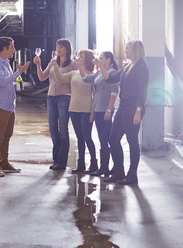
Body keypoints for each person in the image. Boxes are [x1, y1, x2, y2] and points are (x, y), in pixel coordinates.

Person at [98, 40, 149, 185]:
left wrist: (138, 111)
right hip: (123, 106)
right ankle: (119, 170)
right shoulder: (127, 66)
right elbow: (111, 79)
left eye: (127, 49)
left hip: (133, 107)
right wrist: (102, 67)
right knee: (113, 138)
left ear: (134, 50)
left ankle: (132, 175)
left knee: (132, 140)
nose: (125, 51)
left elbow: (142, 91)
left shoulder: (142, 68)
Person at [0, 36, 30, 177]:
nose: (14, 50)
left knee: (7, 136)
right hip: (0, 105)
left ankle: (4, 163)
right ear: (4, 48)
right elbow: (1, 82)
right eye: (12, 47)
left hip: (9, 105)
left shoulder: (5, 63)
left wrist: (17, 84)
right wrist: (18, 72)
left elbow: (8, 83)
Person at [52, 49, 97, 173]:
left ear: (87, 59)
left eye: (81, 57)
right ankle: (81, 164)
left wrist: (93, 112)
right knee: (79, 138)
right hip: (74, 109)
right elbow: (60, 78)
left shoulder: (93, 75)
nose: (79, 58)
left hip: (86, 109)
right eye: (79, 56)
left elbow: (95, 95)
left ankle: (94, 164)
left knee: (87, 137)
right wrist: (55, 66)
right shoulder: (73, 73)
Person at [33, 38, 76, 171]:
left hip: (65, 97)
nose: (58, 49)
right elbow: (42, 77)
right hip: (51, 97)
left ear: (67, 49)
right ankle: (56, 159)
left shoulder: (72, 65)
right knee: (53, 129)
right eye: (57, 46)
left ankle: (62, 162)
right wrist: (38, 65)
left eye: (61, 47)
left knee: (63, 129)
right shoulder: (53, 62)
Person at [79, 51, 119, 176]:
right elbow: (86, 79)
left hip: (104, 110)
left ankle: (105, 167)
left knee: (105, 139)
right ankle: (108, 166)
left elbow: (114, 93)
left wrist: (109, 110)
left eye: (101, 58)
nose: (98, 59)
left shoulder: (112, 73)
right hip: (97, 109)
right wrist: (80, 66)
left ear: (108, 60)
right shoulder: (100, 72)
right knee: (103, 138)